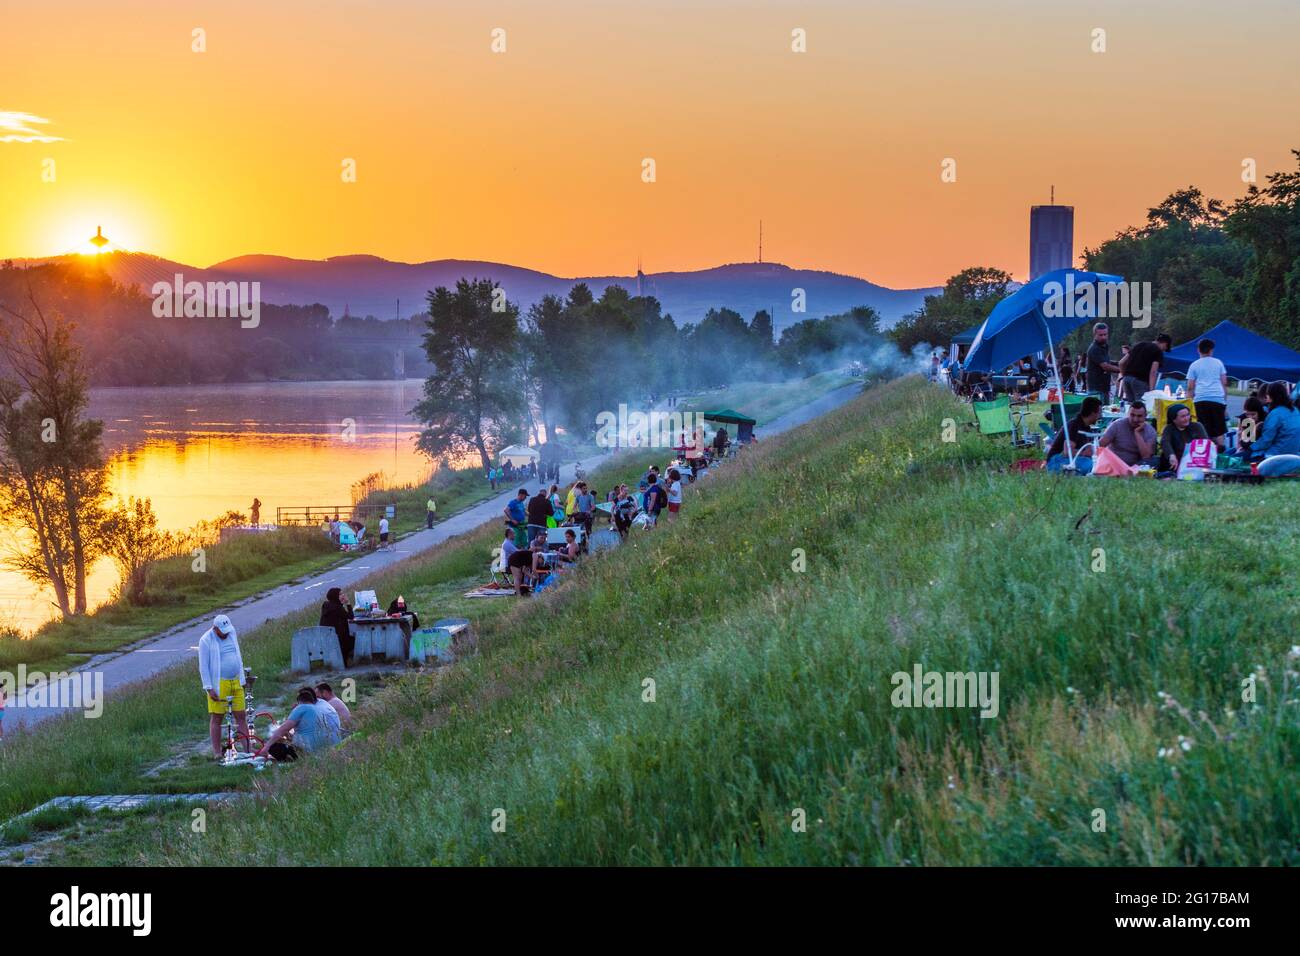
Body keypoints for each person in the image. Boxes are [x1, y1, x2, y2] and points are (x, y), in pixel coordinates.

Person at [199, 613, 247, 759]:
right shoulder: (206, 640)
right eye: (222, 631)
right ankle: (217, 752)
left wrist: (242, 679)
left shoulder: (231, 633)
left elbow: (237, 655)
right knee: (217, 717)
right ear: (215, 629)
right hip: (219, 683)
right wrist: (208, 687)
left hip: (236, 680)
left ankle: (247, 748)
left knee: (241, 715)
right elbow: (203, 666)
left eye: (227, 630)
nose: (226, 634)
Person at [256, 687, 340, 761]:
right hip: (325, 749)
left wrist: (266, 747)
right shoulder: (317, 709)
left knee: (273, 746)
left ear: (299, 701)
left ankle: (290, 759)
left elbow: (282, 730)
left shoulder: (301, 707)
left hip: (308, 752)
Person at [1185, 338, 1229, 449]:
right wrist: (1224, 402)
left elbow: (1190, 387)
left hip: (1200, 399)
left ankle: (1205, 454)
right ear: (1211, 350)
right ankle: (1221, 454)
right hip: (1217, 399)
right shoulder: (1219, 363)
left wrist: (1187, 406)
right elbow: (1224, 383)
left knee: (1203, 429)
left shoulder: (1194, 365)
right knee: (1218, 430)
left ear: (1198, 350)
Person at [1249, 382, 1300, 476]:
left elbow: (1266, 440)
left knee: (1237, 454)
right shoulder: (1295, 410)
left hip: (1275, 455)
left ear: (1272, 396)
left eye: (1267, 394)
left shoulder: (1275, 413)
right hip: (1294, 453)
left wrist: (1250, 446)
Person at [1045, 396, 1103, 474]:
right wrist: (1084, 453)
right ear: (1092, 413)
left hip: (1072, 459)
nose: (1100, 416)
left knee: (1098, 462)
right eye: (1099, 413)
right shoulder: (1074, 425)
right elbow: (1067, 452)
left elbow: (1088, 450)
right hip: (1056, 461)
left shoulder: (1086, 427)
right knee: (1092, 464)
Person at [1098, 401, 1158, 467]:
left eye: (1139, 416)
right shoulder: (1117, 425)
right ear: (1128, 414)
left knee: (1154, 460)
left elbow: (1146, 456)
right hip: (1115, 463)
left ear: (1145, 416)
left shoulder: (1150, 431)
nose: (1135, 419)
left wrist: (1137, 433)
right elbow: (1100, 445)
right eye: (1132, 415)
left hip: (1137, 465)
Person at [1119, 333, 1172, 403]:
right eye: (1165, 349)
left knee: (1131, 407)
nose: (1164, 351)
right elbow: (1153, 372)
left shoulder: (1139, 345)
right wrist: (1151, 391)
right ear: (1165, 343)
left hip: (1126, 380)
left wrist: (1124, 376)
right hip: (1140, 382)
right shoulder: (1157, 351)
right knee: (1142, 407)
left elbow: (1121, 363)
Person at [1159, 403, 1209, 473]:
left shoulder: (1197, 426)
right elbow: (1165, 442)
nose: (1186, 418)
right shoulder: (1169, 428)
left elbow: (1206, 443)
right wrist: (1171, 455)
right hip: (1176, 461)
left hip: (1196, 460)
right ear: (1174, 419)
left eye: (1188, 415)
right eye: (1183, 416)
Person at [1085, 323, 1121, 403]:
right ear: (1095, 335)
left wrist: (1118, 363)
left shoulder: (1104, 346)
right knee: (1098, 413)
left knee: (1106, 411)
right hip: (1096, 389)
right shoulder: (1094, 348)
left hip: (1104, 388)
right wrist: (1122, 370)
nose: (1103, 337)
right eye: (1100, 335)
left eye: (1105, 334)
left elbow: (1105, 360)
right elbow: (1105, 366)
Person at [319, 587, 354, 667]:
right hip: (338, 638)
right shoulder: (337, 608)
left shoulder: (326, 605)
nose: (343, 595)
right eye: (340, 594)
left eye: (342, 593)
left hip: (326, 637)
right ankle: (345, 663)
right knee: (354, 640)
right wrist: (348, 603)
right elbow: (350, 616)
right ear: (335, 596)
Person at [1236, 395, 1267, 459]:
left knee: (1234, 458)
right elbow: (1240, 438)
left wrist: (1255, 428)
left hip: (1257, 449)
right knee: (1227, 454)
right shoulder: (1243, 418)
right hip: (1245, 446)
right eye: (1247, 414)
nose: (1250, 417)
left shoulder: (1265, 419)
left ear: (1259, 412)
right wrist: (1238, 449)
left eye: (1253, 414)